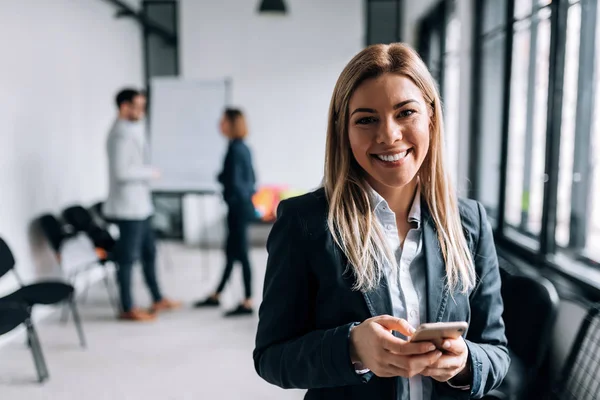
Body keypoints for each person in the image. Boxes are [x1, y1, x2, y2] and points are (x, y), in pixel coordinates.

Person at [253, 44, 509, 399]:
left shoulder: (471, 222)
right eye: (366, 119)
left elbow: (496, 350)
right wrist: (351, 348)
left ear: (431, 118)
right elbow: (272, 357)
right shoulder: (305, 222)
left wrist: (466, 361)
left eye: (406, 113)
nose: (389, 135)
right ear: (344, 130)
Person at [104, 88, 181, 322]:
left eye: (143, 106)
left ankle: (157, 298)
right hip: (129, 209)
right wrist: (151, 172)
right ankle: (127, 307)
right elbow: (121, 171)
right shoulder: (119, 134)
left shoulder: (131, 129)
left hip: (141, 206)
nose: (141, 111)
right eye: (137, 106)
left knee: (149, 252)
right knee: (127, 258)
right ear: (123, 106)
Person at [194, 108, 257, 317]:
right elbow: (251, 180)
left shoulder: (235, 150)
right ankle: (217, 294)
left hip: (238, 207)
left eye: (222, 121)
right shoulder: (242, 148)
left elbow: (238, 182)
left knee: (241, 253)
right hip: (241, 206)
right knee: (231, 253)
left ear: (231, 123)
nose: (219, 125)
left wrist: (228, 188)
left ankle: (247, 301)